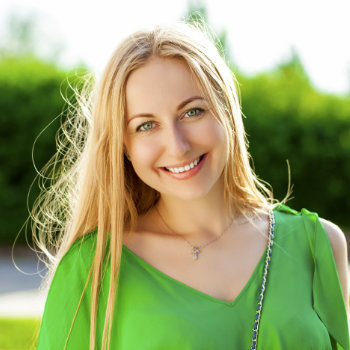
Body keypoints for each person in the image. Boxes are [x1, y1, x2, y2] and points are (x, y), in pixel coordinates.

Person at [34, 22, 349, 350]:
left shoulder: (319, 245)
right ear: (122, 146)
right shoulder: (92, 269)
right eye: (146, 126)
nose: (177, 145)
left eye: (192, 112)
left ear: (226, 109)